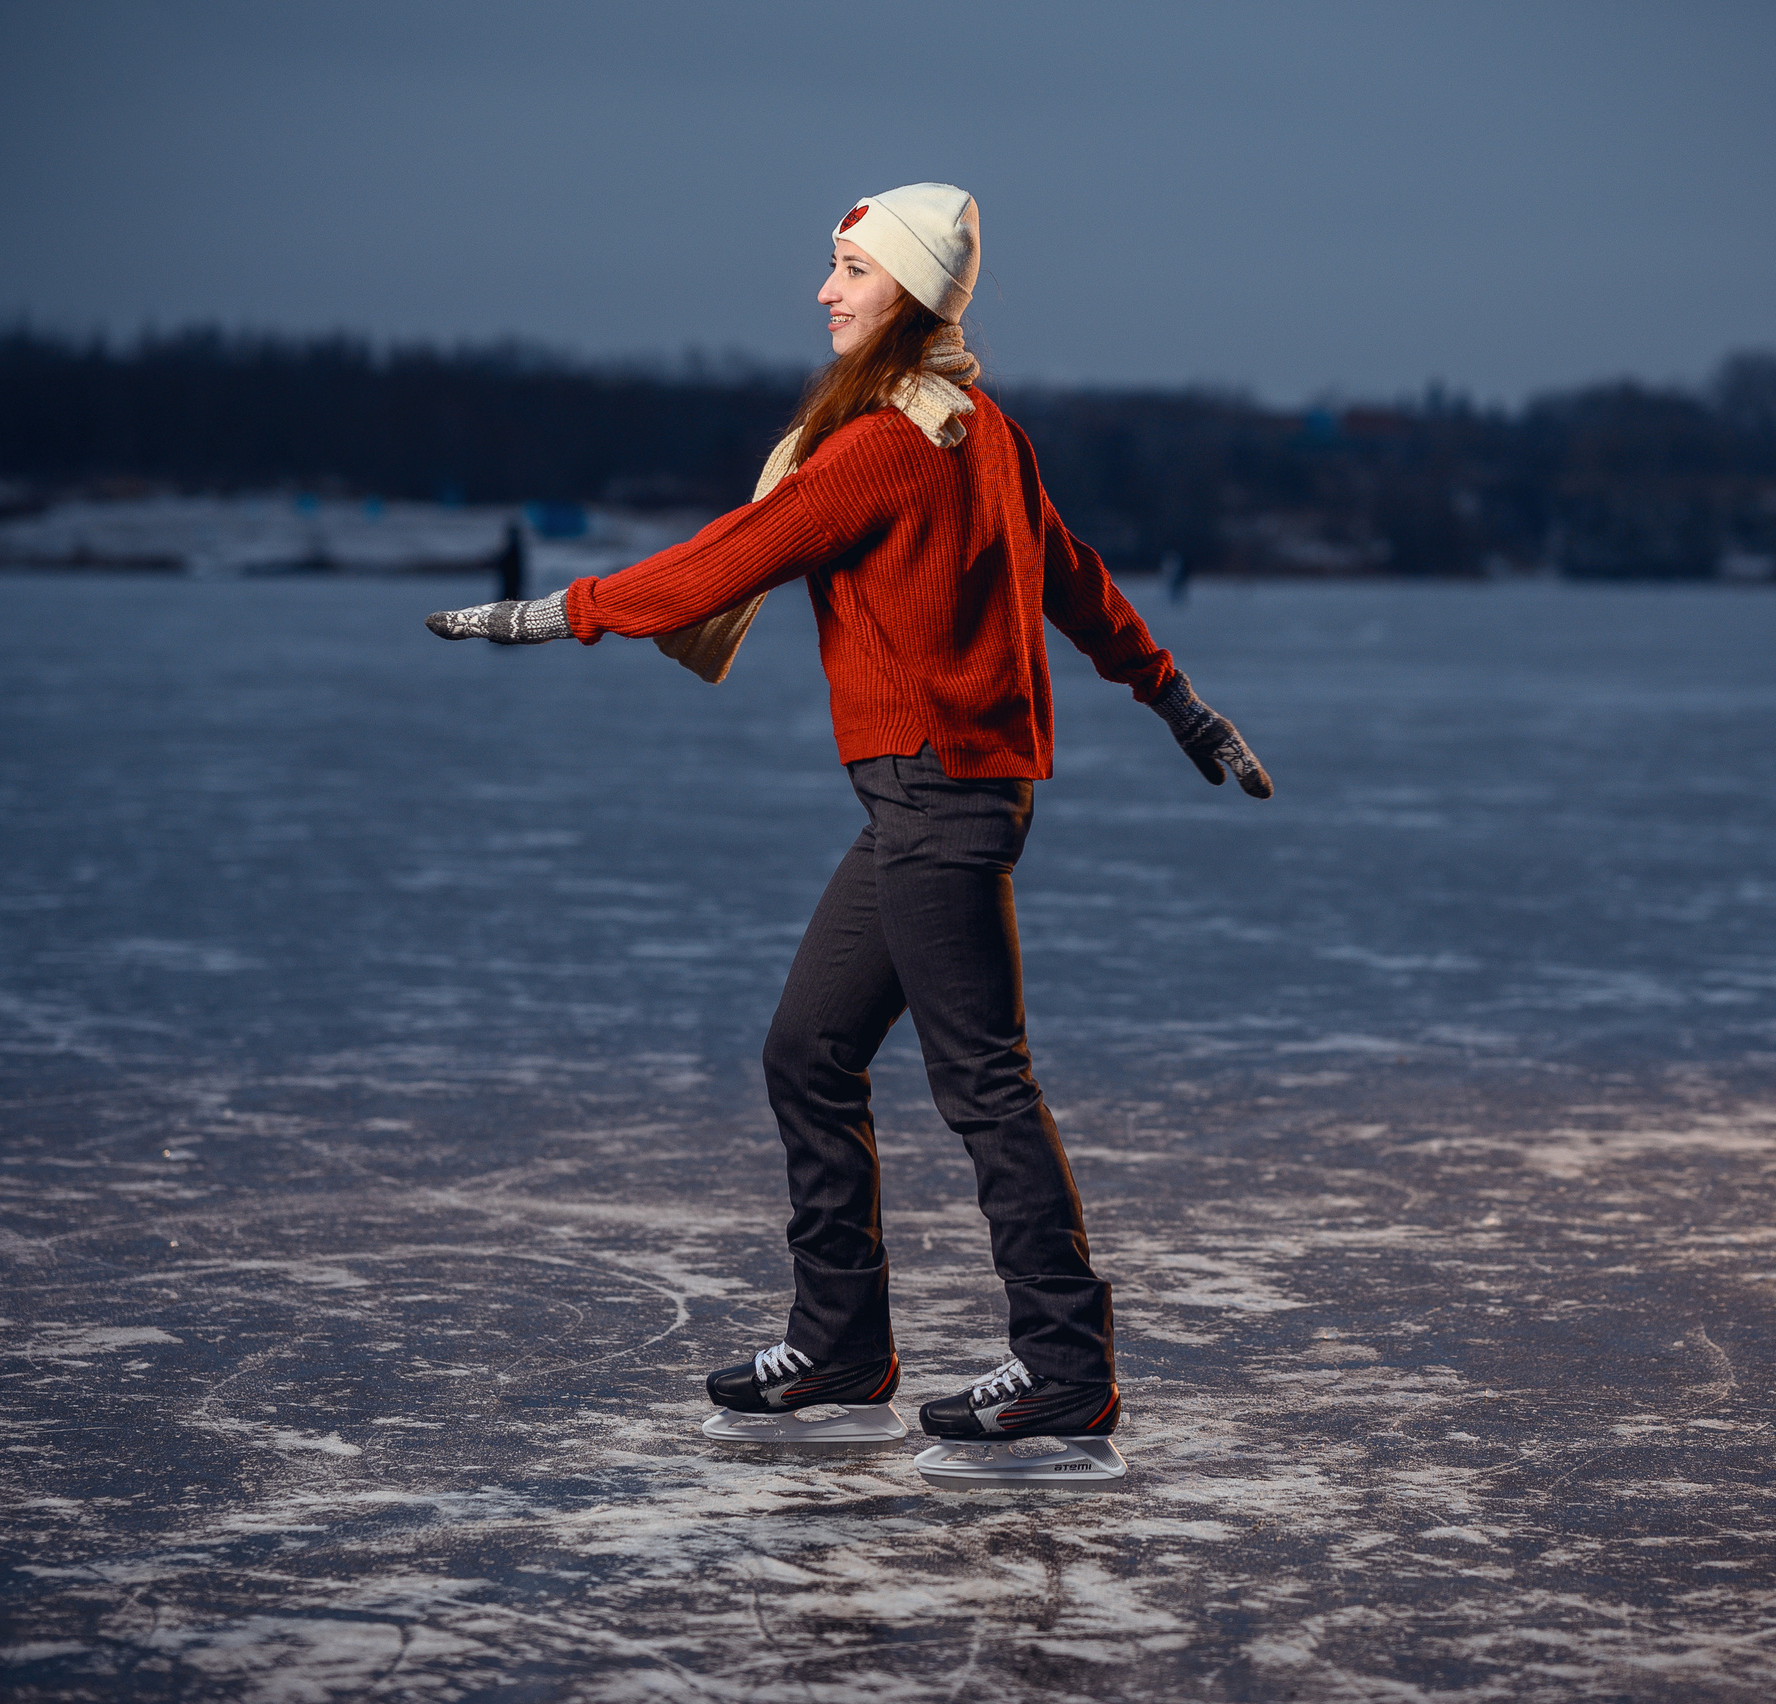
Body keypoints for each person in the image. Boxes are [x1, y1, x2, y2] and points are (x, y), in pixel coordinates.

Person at [426, 183, 1270, 1461]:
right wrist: (1177, 702)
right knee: (807, 1052)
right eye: (831, 266)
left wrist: (550, 614)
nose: (826, 290)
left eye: (851, 268)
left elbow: (722, 561)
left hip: (939, 796)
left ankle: (1065, 1362)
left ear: (912, 291)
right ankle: (841, 1345)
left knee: (983, 1081)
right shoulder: (979, 427)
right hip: (933, 797)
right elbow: (1080, 580)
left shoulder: (884, 446)